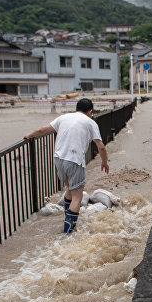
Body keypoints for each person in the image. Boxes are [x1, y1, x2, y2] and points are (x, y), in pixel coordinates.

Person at [24, 98, 109, 234]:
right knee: (77, 196)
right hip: (74, 159)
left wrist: (29, 135)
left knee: (70, 188)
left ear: (76, 108)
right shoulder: (90, 122)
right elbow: (101, 147)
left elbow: (42, 129)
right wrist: (104, 162)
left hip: (59, 158)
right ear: (90, 111)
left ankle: (67, 221)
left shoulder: (63, 117)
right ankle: (68, 232)